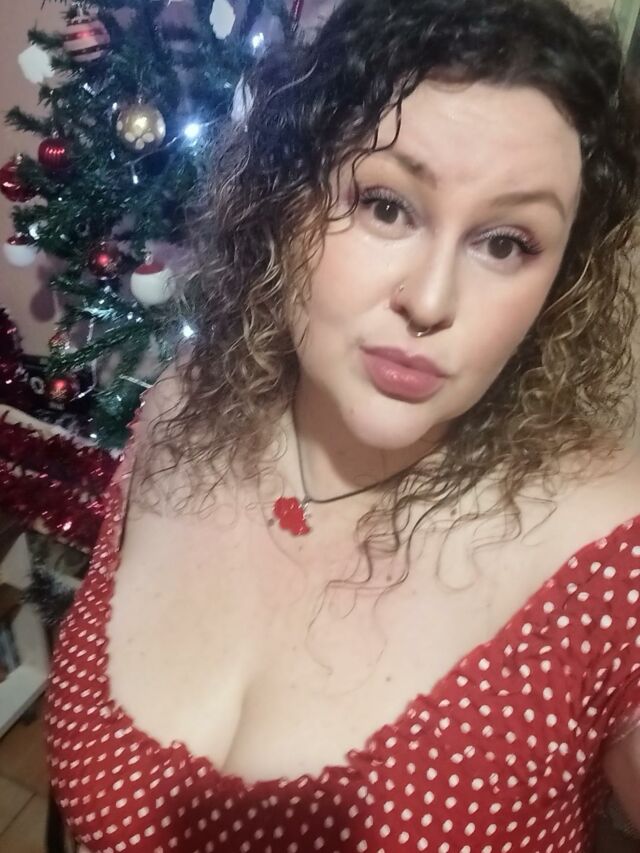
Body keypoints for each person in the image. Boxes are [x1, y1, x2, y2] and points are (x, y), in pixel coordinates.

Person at [44, 0, 640, 850]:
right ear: (288, 198)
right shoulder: (180, 408)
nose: (430, 301)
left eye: (506, 242)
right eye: (387, 206)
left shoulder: (611, 561)